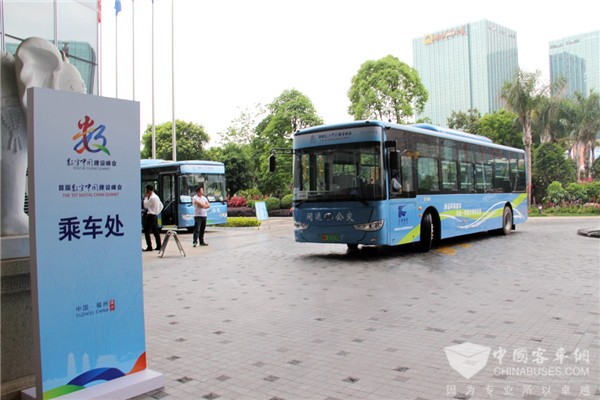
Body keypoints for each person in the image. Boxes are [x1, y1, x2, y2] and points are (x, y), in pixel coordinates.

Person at [142, 184, 163, 251]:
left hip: (150, 216)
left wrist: (145, 198)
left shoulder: (152, 198)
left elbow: (145, 205)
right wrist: (157, 212)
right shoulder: (156, 196)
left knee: (147, 231)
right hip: (154, 215)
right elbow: (161, 206)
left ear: (148, 190)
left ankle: (149, 246)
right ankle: (159, 246)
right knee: (155, 231)